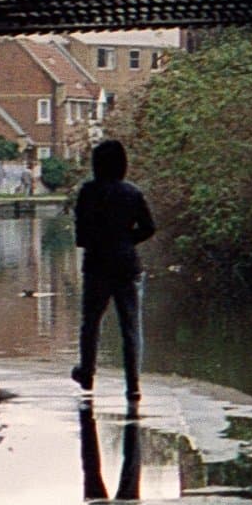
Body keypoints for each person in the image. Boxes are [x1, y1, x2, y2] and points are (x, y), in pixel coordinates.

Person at [70, 138, 156, 405]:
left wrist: (97, 239)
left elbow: (81, 236)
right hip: (126, 265)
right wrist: (128, 239)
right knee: (131, 327)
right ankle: (132, 385)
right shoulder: (133, 193)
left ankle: (87, 372)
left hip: (96, 265)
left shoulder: (88, 192)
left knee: (91, 322)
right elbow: (149, 227)